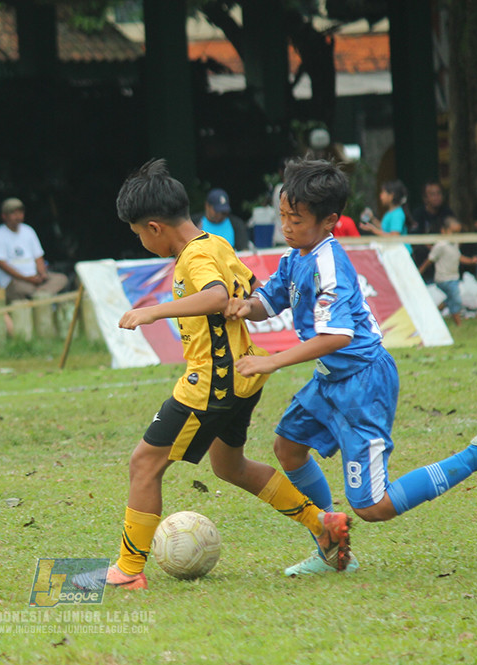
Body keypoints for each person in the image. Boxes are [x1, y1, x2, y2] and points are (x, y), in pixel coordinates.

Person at [223, 158, 477, 576]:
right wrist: (247, 307)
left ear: (330, 220)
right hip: (330, 379)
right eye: (283, 216)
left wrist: (271, 361)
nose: (286, 226)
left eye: (296, 218)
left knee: (372, 506)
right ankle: (330, 545)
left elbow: (337, 337)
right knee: (288, 447)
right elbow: (270, 300)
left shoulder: (330, 263)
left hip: (363, 383)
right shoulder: (296, 256)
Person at [71, 159, 351, 592]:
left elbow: (217, 295)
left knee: (144, 463)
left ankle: (128, 569)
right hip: (242, 377)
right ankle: (322, 522)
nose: (143, 242)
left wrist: (153, 311)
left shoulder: (195, 256)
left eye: (139, 235)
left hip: (212, 382)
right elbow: (245, 290)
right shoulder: (216, 243)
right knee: (229, 466)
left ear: (154, 227)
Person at [0, 197, 68, 302]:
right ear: (4, 216)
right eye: (13, 213)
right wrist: (27, 278)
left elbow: (38, 256)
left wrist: (42, 274)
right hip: (15, 281)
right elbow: (1, 264)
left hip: (35, 278)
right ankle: (41, 295)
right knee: (20, 288)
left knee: (61, 279)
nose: (18, 216)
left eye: (20, 212)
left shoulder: (28, 230)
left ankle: (39, 294)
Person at [418, 217, 477, 326]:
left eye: (457, 233)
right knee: (456, 299)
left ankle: (435, 314)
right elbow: (430, 260)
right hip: (444, 278)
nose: (455, 236)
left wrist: (471, 261)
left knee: (451, 298)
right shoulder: (441, 245)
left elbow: (458, 257)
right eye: (453, 232)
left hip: (453, 277)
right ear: (444, 231)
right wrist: (420, 271)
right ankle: (458, 323)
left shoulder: (454, 244)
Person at [410, 182, 457, 274]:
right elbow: (415, 237)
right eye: (432, 194)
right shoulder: (418, 214)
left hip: (444, 247)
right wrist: (431, 246)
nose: (436, 197)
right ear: (425, 198)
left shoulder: (447, 212)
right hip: (426, 249)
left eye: (439, 193)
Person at [359, 180, 413, 254]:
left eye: (383, 192)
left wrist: (374, 230)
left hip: (401, 255)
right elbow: (385, 228)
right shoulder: (390, 213)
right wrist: (372, 219)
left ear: (391, 196)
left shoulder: (397, 214)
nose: (380, 196)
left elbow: (394, 236)